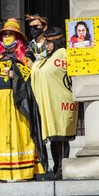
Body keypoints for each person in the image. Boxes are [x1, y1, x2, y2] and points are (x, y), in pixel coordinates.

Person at [0, 18, 46, 181]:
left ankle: (24, 171)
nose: (7, 36)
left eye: (11, 34)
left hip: (17, 99)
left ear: (17, 36)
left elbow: (32, 75)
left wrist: (15, 76)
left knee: (19, 132)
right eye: (5, 34)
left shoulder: (26, 54)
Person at [31, 27, 78, 180]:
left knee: (62, 136)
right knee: (54, 137)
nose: (47, 45)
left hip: (62, 101)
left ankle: (63, 168)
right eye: (46, 42)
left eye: (49, 42)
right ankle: (57, 167)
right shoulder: (48, 57)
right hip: (51, 102)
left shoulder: (64, 54)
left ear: (57, 41)